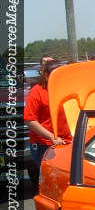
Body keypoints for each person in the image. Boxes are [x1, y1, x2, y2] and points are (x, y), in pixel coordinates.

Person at [23, 59, 73, 192]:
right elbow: (30, 120)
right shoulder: (37, 91)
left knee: (66, 181)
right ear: (46, 75)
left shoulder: (66, 90)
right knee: (50, 183)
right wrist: (52, 137)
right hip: (44, 145)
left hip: (67, 142)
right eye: (56, 74)